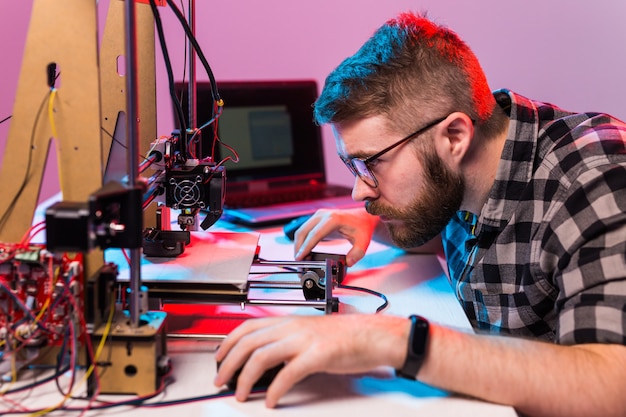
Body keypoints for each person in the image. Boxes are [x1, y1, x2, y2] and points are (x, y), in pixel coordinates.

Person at [214, 11, 626, 416]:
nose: (359, 191)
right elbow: (454, 221)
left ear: (455, 136)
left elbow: (613, 388)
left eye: (370, 164)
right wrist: (375, 222)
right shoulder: (468, 169)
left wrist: (394, 339)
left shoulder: (596, 183)